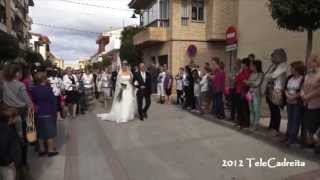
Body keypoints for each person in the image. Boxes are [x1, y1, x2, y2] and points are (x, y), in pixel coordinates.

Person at [2, 64, 33, 167]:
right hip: (20, 112)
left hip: (6, 113)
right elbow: (27, 101)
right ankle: (22, 163)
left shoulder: (4, 83)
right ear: (17, 73)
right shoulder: (20, 85)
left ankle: (11, 161)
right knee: (23, 139)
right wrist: (31, 108)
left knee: (8, 138)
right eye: (20, 72)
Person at [31, 72, 58, 157]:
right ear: (44, 79)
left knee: (40, 132)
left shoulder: (34, 89)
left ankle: (41, 150)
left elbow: (33, 100)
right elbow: (53, 101)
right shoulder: (48, 89)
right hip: (48, 112)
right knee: (49, 133)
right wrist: (55, 112)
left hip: (38, 113)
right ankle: (50, 150)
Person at [264, 49, 288, 136]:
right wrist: (269, 75)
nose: (272, 58)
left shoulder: (283, 65)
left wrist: (269, 76)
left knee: (275, 110)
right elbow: (266, 75)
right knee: (272, 110)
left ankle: (276, 128)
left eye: (273, 56)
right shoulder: (274, 65)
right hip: (270, 90)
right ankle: (271, 126)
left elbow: (272, 76)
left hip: (277, 91)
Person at [284, 61, 305, 146]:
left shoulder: (303, 78)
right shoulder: (290, 77)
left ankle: (292, 138)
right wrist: (287, 95)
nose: (291, 69)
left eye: (292, 68)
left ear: (297, 69)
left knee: (296, 120)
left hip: (297, 102)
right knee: (290, 119)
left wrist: (293, 97)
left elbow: (302, 90)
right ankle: (288, 135)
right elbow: (285, 88)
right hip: (289, 101)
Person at [301, 55, 320, 149]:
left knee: (313, 125)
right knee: (308, 125)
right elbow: (303, 86)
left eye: (311, 61)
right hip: (306, 103)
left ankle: (316, 145)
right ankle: (310, 144)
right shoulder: (308, 74)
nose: (308, 63)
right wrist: (302, 94)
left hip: (315, 103)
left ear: (316, 62)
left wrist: (307, 96)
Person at [0, 105, 22, 180]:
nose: (18, 119)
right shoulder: (6, 131)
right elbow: (2, 148)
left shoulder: (10, 127)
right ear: (10, 118)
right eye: (16, 117)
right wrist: (9, 161)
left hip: (10, 162)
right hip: (7, 164)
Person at [245, 60, 264, 130]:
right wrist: (251, 82)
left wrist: (249, 82)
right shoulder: (251, 74)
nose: (250, 67)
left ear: (255, 66)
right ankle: (251, 123)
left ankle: (256, 125)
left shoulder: (261, 74)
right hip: (249, 93)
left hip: (256, 94)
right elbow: (247, 82)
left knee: (256, 109)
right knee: (251, 109)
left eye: (251, 65)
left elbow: (257, 84)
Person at [235, 58, 252, 128]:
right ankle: (240, 121)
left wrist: (242, 79)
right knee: (239, 107)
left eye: (243, 63)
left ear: (246, 64)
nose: (242, 65)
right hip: (238, 90)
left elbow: (247, 81)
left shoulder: (249, 72)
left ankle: (246, 122)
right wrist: (239, 73)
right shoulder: (242, 71)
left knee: (245, 108)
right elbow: (237, 79)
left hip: (245, 91)